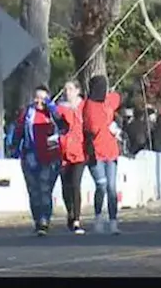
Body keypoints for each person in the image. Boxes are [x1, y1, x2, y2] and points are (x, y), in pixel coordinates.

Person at [16, 85, 62, 236]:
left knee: (44, 189)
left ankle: (44, 220)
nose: (39, 101)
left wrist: (52, 108)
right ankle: (37, 219)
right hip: (30, 155)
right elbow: (19, 131)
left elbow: (62, 124)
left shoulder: (52, 113)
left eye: (43, 98)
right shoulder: (28, 113)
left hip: (48, 157)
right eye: (37, 97)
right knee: (33, 191)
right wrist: (15, 147)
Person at [82, 74, 123, 235]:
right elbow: (92, 128)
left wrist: (111, 94)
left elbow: (117, 97)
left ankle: (113, 221)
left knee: (112, 188)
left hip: (111, 152)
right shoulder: (89, 105)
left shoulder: (108, 101)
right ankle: (98, 217)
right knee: (102, 185)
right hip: (95, 153)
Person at [56, 80, 88, 235]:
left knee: (75, 184)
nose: (67, 92)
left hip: (80, 152)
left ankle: (76, 219)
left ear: (77, 90)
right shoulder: (60, 108)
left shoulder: (84, 106)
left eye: (70, 89)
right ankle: (69, 212)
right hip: (63, 152)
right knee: (65, 186)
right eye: (65, 89)